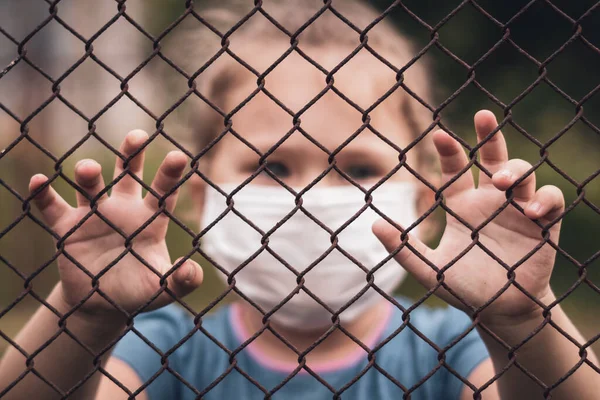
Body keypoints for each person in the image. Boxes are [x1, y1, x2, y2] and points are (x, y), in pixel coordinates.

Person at [0, 1, 598, 399]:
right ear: (202, 191)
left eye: (359, 168)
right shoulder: (160, 352)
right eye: (273, 165)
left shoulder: (455, 352)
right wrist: (83, 318)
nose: (311, 196)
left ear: (422, 198)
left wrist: (522, 320)